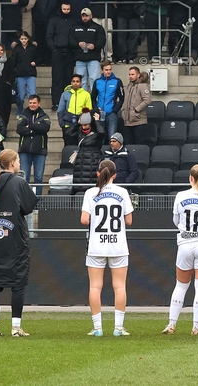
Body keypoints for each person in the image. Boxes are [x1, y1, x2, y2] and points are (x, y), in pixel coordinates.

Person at [0, 149, 38, 337]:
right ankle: (15, 327)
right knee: (18, 284)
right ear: (13, 162)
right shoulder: (19, 182)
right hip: (16, 239)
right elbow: (30, 206)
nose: (20, 164)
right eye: (18, 160)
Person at [81, 159, 134, 337]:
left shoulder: (91, 193)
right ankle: (118, 328)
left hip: (97, 245)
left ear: (98, 173)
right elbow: (129, 221)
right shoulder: (123, 192)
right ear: (115, 175)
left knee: (95, 287)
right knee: (119, 286)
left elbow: (84, 220)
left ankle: (98, 328)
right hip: (118, 245)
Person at [164, 164, 198, 335]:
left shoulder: (180, 196)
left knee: (181, 285)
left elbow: (176, 220)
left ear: (191, 178)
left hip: (185, 244)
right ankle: (196, 326)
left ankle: (172, 324)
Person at [16, 94, 50, 188]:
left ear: (39, 103)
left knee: (38, 178)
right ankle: (24, 200)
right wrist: (35, 129)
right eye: (30, 103)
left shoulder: (44, 115)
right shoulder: (23, 114)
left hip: (40, 151)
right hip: (24, 150)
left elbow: (45, 128)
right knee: (24, 177)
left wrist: (30, 126)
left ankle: (37, 201)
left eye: (34, 103)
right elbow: (19, 129)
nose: (32, 105)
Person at [71, 8, 106, 93]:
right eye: (83, 16)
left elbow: (102, 41)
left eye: (87, 16)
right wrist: (78, 44)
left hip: (93, 58)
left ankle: (95, 101)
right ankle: (83, 102)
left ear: (91, 16)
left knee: (95, 81)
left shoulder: (98, 28)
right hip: (80, 59)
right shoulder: (75, 27)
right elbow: (70, 40)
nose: (85, 18)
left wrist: (94, 46)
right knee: (81, 82)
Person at [69, 111, 106, 190]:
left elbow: (102, 132)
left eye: (86, 125)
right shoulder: (79, 133)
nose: (84, 127)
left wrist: (97, 121)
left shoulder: (96, 134)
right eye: (82, 125)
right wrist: (77, 123)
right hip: (81, 160)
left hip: (93, 159)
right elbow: (69, 133)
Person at [10, 32, 40, 116]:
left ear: (28, 39)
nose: (24, 41)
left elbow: (39, 57)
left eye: (25, 39)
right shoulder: (16, 49)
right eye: (22, 39)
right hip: (20, 75)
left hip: (31, 74)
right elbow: (13, 61)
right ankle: (19, 111)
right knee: (21, 96)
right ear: (19, 39)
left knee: (33, 95)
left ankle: (34, 112)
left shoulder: (33, 48)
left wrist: (35, 62)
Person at [90, 62, 122, 138]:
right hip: (100, 113)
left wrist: (115, 110)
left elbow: (122, 98)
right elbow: (93, 97)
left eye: (110, 69)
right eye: (106, 70)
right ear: (102, 70)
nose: (108, 71)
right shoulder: (97, 82)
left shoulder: (117, 81)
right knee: (100, 136)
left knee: (112, 137)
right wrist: (96, 108)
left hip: (111, 114)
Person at [120, 67, 151, 145]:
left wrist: (136, 110)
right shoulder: (129, 86)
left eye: (133, 74)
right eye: (129, 74)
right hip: (127, 121)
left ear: (138, 75)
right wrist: (123, 111)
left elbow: (147, 100)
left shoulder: (143, 86)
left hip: (138, 121)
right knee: (128, 144)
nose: (130, 76)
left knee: (139, 144)